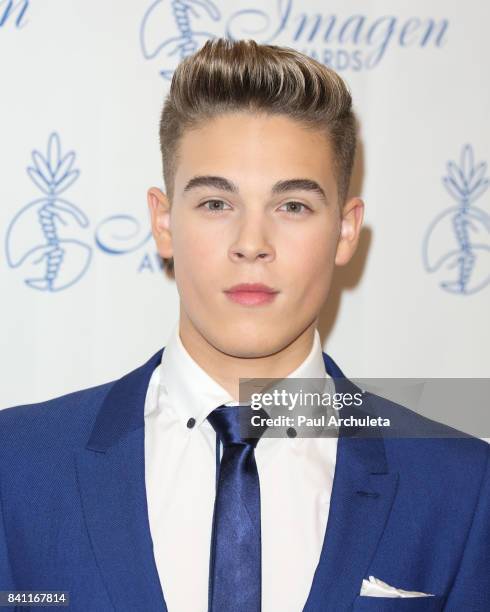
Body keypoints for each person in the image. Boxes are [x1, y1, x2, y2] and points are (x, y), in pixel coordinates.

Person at [0, 38, 489, 612]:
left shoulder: (462, 488)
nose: (252, 245)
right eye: (215, 203)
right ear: (163, 222)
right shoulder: (16, 467)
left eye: (293, 207)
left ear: (346, 230)